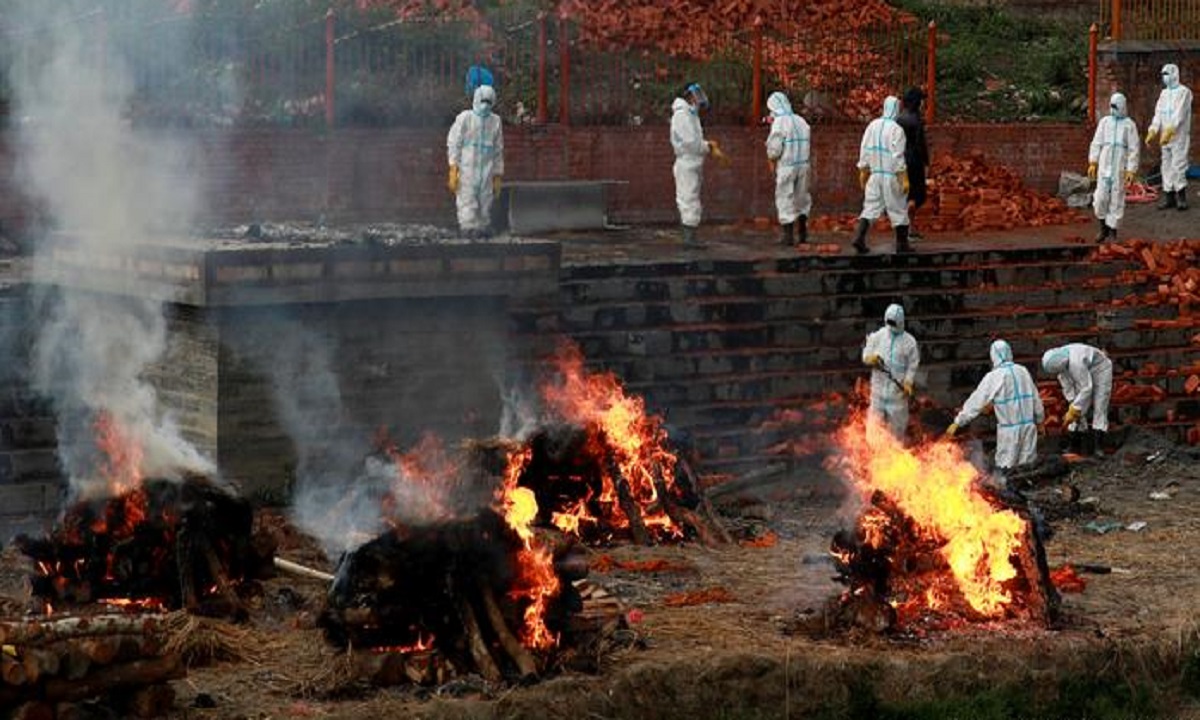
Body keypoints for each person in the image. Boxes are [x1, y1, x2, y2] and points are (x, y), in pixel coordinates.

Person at [945, 340, 1044, 472]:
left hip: (1009, 433)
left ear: (994, 356)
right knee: (1027, 470)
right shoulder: (1023, 371)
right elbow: (1036, 399)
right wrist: (1040, 421)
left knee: (1005, 470)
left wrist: (958, 422)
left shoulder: (994, 376)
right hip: (1029, 429)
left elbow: (976, 400)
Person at [851, 96, 910, 255]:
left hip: (875, 176)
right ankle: (902, 244)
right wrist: (903, 177)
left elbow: (864, 149)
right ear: (896, 109)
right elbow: (898, 156)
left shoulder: (872, 126)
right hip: (891, 176)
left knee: (870, 208)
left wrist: (863, 171)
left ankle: (859, 238)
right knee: (898, 208)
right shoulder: (897, 130)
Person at [671, 83, 727, 247]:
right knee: (688, 199)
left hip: (692, 162)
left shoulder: (690, 114)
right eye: (695, 95)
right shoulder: (682, 115)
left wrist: (707, 146)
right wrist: (708, 147)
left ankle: (691, 237)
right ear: (688, 96)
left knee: (691, 198)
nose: (698, 98)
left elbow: (694, 141)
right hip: (687, 162)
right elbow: (690, 142)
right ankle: (689, 239)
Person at [447, 84, 504, 238]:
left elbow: (498, 150)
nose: (485, 105)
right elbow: (454, 143)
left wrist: (497, 174)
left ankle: (483, 227)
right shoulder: (466, 118)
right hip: (468, 169)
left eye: (489, 102)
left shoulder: (495, 121)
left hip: (487, 170)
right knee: (467, 198)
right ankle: (468, 228)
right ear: (476, 99)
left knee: (486, 199)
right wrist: (453, 167)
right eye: (483, 101)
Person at [861, 303, 920, 442]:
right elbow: (866, 355)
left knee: (895, 438)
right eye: (889, 322)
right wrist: (870, 359)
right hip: (877, 396)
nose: (891, 326)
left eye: (894, 323)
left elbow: (912, 365)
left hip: (897, 398)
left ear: (901, 321)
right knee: (873, 435)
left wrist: (908, 382)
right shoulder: (878, 336)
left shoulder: (910, 342)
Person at [1041, 343, 1113, 454]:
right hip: (1085, 370)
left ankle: (1098, 446)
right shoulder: (1061, 366)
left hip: (1100, 370)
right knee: (1078, 408)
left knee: (1100, 405)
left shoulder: (1076, 362)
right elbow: (1067, 386)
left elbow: (1086, 388)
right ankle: (1076, 443)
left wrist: (1075, 408)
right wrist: (1072, 403)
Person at [1088, 92, 1139, 243]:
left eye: (1116, 106)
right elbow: (1096, 142)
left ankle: (1112, 232)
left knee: (1117, 197)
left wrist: (1131, 169)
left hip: (1119, 165)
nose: (1113, 109)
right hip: (1105, 163)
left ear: (1122, 106)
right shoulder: (1104, 122)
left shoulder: (1129, 125)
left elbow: (1134, 149)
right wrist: (1093, 162)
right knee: (1100, 197)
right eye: (1112, 106)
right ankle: (1102, 228)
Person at [764, 91, 812, 246]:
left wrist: (771, 157)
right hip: (803, 165)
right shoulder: (801, 120)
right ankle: (803, 233)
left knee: (785, 197)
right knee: (802, 197)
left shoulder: (779, 123)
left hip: (787, 166)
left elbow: (775, 149)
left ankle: (788, 236)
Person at [1146, 63, 1193, 211]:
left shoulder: (1184, 92)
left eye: (1166, 74)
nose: (1164, 77)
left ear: (1174, 74)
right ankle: (1169, 196)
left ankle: (1181, 197)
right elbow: (1158, 113)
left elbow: (1180, 114)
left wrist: (1171, 129)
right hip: (1164, 138)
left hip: (1178, 137)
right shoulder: (1164, 94)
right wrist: (1153, 130)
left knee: (1178, 165)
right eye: (1163, 74)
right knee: (1166, 166)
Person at [895, 88, 929, 240]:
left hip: (901, 160)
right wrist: (926, 162)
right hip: (915, 161)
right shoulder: (916, 120)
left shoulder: (899, 119)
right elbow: (920, 144)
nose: (923, 103)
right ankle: (909, 228)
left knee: (905, 194)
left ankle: (908, 229)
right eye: (921, 100)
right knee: (917, 195)